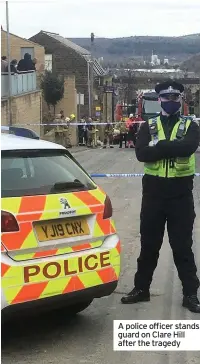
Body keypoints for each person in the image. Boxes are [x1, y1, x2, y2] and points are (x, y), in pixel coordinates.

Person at [121, 80, 200, 313]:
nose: (171, 102)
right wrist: (169, 146)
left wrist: (160, 147)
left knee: (182, 246)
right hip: (154, 194)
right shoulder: (148, 125)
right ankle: (141, 289)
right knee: (149, 245)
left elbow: (188, 148)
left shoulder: (191, 125)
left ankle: (190, 294)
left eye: (175, 98)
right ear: (160, 100)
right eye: (166, 98)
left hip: (180, 194)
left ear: (181, 100)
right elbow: (142, 154)